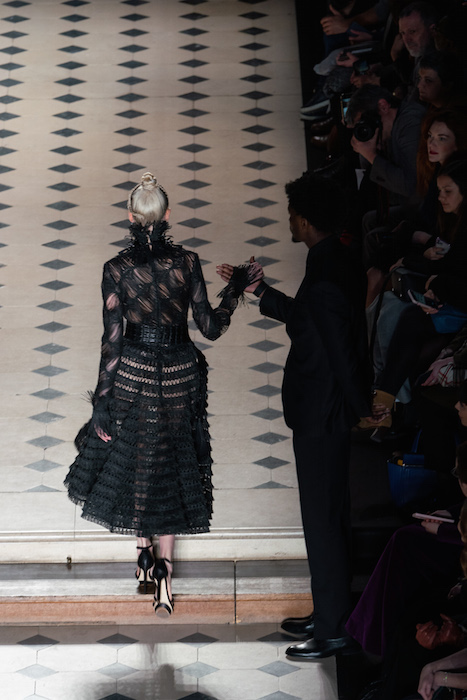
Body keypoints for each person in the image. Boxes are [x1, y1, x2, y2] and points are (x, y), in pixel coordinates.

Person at [65, 171, 261, 617]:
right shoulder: (187, 262)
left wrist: (102, 403)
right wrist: (235, 290)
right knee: (173, 460)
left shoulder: (115, 270)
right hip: (179, 373)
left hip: (133, 372)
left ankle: (142, 553)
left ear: (130, 217)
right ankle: (165, 579)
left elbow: (112, 341)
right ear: (168, 215)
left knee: (137, 455)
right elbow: (210, 327)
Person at [218, 173, 371, 659]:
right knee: (329, 516)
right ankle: (330, 610)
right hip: (326, 410)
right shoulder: (334, 258)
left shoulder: (325, 273)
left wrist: (363, 407)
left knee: (322, 522)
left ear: (304, 220)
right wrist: (260, 291)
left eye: (291, 215)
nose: (288, 221)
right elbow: (312, 319)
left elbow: (340, 349)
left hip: (322, 413)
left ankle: (332, 628)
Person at [362, 154, 467, 430]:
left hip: (460, 309)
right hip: (451, 299)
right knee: (400, 310)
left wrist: (436, 284)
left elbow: (457, 275)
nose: (441, 197)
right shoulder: (459, 221)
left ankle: (388, 404)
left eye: (448, 191)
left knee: (409, 318)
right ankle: (386, 402)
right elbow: (453, 267)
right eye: (440, 190)